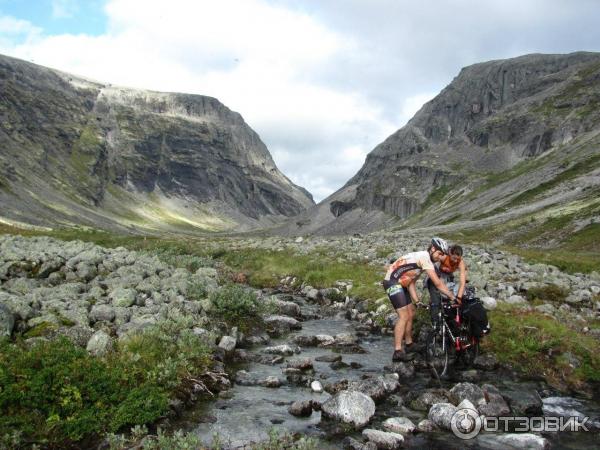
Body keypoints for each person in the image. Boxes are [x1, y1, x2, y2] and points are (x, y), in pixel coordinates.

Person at [383, 237, 458, 361]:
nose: (440, 258)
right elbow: (438, 283)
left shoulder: (423, 259)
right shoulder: (425, 258)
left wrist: (417, 301)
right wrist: (452, 297)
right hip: (392, 282)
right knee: (404, 316)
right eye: (439, 254)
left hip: (402, 283)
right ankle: (397, 351)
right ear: (433, 249)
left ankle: (409, 344)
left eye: (442, 255)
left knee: (411, 312)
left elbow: (411, 282)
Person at [426, 244, 467, 327]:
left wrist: (458, 298)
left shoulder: (461, 263)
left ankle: (450, 318)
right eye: (454, 258)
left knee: (455, 295)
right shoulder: (443, 257)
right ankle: (435, 323)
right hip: (436, 274)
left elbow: (462, 282)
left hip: (449, 276)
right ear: (450, 253)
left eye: (458, 259)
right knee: (436, 298)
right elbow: (430, 266)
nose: (456, 261)